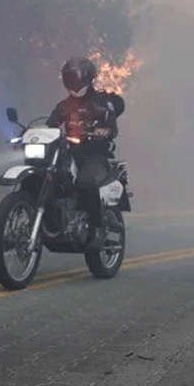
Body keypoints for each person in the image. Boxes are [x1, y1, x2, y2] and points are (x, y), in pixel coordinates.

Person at [45, 56, 126, 248]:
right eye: (69, 79)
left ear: (87, 78)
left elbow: (112, 127)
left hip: (95, 156)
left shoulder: (102, 101)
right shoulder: (64, 106)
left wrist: (103, 131)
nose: (72, 83)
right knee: (49, 177)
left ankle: (97, 229)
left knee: (85, 182)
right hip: (69, 154)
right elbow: (50, 125)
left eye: (75, 78)